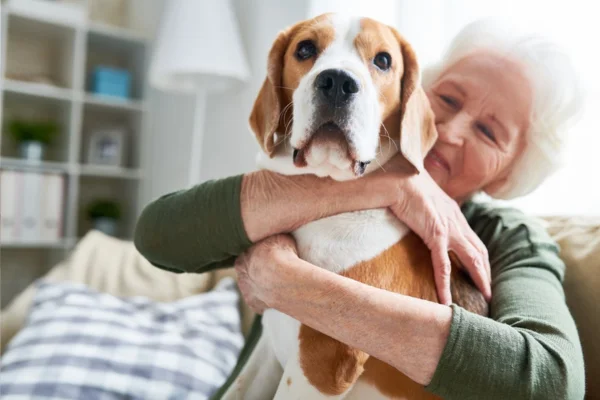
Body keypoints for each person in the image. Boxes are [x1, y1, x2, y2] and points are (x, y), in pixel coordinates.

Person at [134, 18, 585, 399]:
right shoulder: (318, 170)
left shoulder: (509, 236)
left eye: (488, 132)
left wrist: (287, 284)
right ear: (409, 98)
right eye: (446, 100)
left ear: (508, 174)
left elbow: (552, 382)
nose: (450, 131)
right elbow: (157, 237)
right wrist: (391, 188)